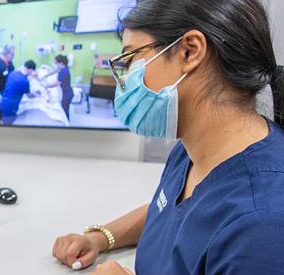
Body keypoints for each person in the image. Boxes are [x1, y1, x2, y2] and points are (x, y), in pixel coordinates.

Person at [52, 0, 284, 274]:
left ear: (189, 51)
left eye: (129, 60)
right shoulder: (191, 150)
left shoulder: (261, 222)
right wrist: (100, 237)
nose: (123, 81)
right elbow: (168, 216)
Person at [0, 60, 37, 126]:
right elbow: (29, 95)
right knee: (8, 125)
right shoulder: (24, 81)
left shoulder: (13, 73)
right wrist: (36, 95)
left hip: (4, 102)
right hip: (11, 106)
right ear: (31, 69)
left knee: (5, 123)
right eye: (32, 71)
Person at [0, 45, 15, 125]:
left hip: (7, 90)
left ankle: (6, 123)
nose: (13, 56)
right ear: (6, 54)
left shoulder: (10, 63)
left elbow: (12, 73)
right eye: (12, 54)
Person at [47, 55, 73, 120]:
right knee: (65, 109)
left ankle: (66, 124)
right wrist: (45, 76)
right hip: (66, 91)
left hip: (67, 94)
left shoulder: (64, 72)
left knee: (64, 111)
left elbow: (57, 83)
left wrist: (46, 86)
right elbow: (55, 70)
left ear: (61, 63)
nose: (55, 65)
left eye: (56, 63)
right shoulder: (63, 67)